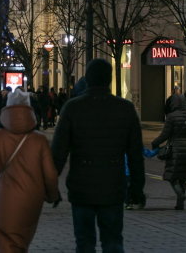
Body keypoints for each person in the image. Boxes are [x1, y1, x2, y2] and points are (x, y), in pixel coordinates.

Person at [52, 59, 146, 253]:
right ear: (109, 79)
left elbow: (58, 152)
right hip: (112, 186)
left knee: (84, 243)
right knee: (113, 242)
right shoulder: (125, 109)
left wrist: (50, 186)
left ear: (87, 78)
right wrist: (137, 188)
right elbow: (136, 154)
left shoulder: (73, 107)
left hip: (81, 186)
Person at [0, 88, 60, 252]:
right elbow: (50, 173)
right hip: (31, 202)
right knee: (20, 243)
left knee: (4, 244)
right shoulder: (39, 140)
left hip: (0, 200)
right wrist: (53, 195)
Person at [151, 94, 186, 210]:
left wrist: (155, 143)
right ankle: (180, 204)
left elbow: (165, 135)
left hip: (175, 148)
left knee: (172, 175)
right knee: (183, 175)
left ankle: (180, 195)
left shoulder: (171, 117)